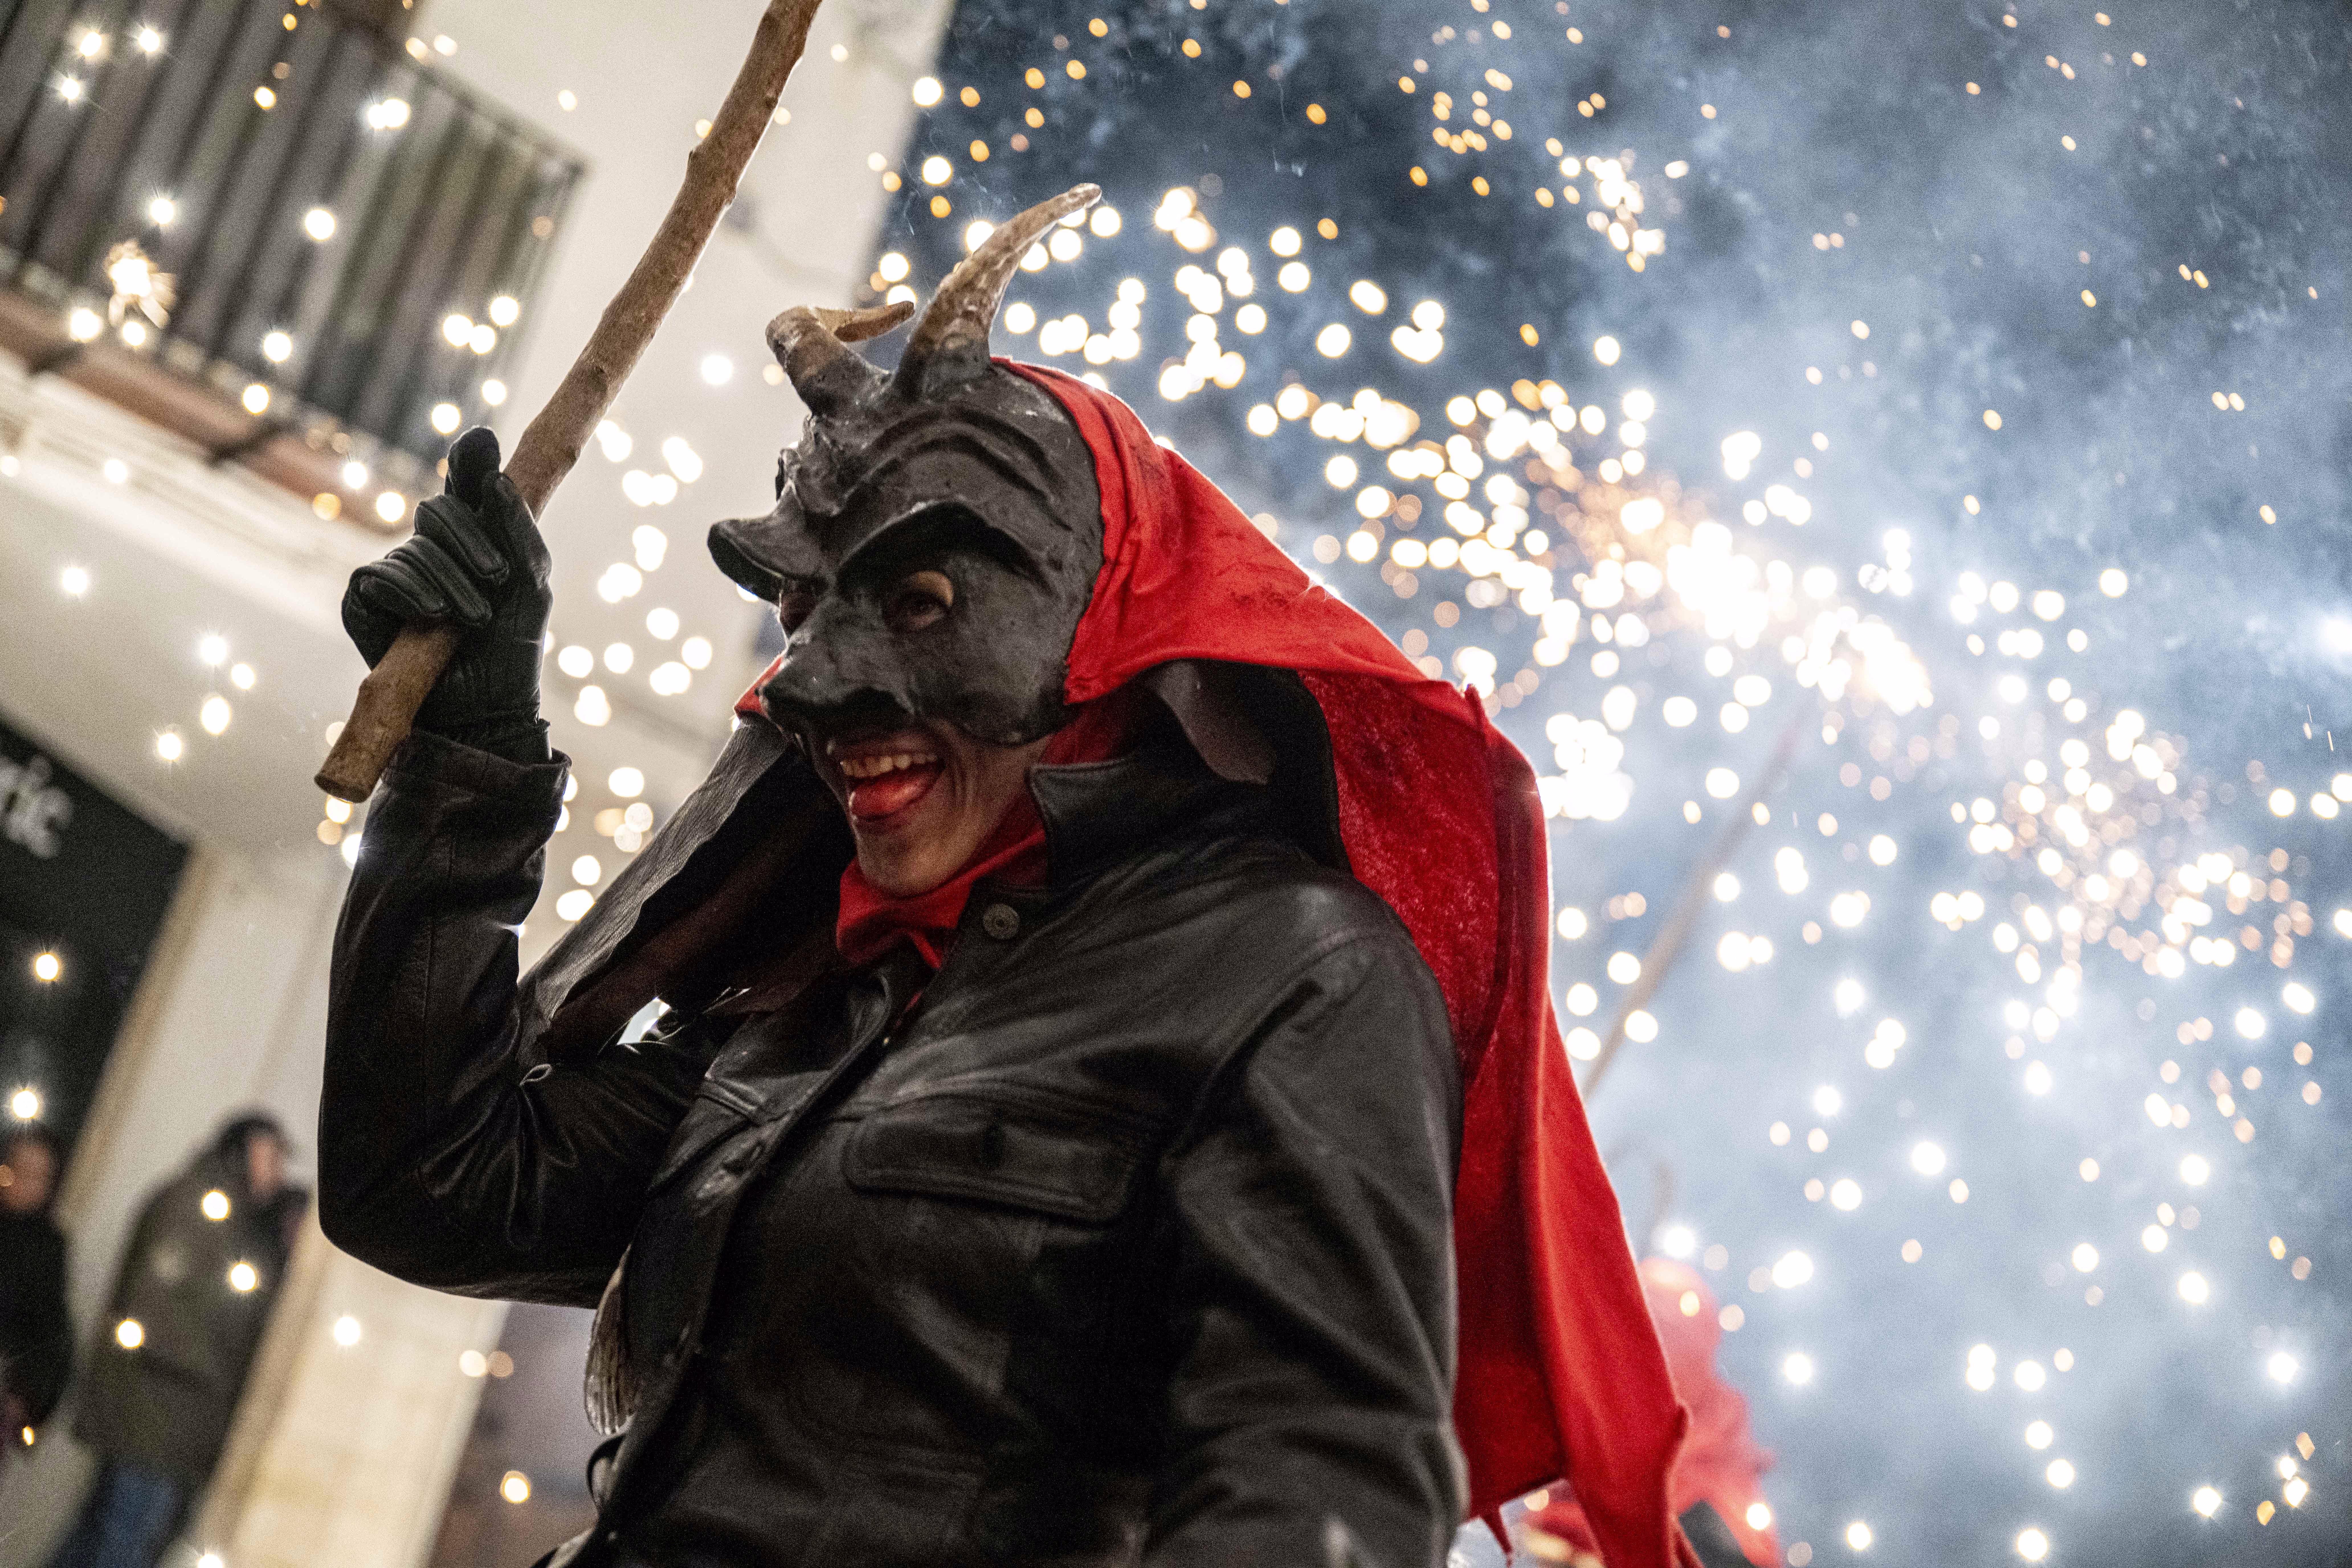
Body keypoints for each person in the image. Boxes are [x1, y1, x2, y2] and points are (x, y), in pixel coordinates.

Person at [321, 185, 1698, 1568]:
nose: (820, 680)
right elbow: (433, 1181)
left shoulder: (1290, 972)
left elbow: (1311, 1495)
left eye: (921, 605)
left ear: (1099, 621)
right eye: (805, 612)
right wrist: (468, 757)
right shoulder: (825, 979)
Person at [46, 1114, 303, 1568]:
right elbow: (166, 1312)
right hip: (159, 1417)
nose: (278, 1172)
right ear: (241, 1150)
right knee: (122, 1544)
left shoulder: (229, 1215)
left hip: (160, 1416)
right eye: (272, 1156)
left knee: (100, 1535)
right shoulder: (201, 1205)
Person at [1, 1124, 73, 1471]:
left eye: (38, 1176)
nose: (24, 1183)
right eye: (19, 1170)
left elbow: (48, 1331)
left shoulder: (46, 1248)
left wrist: (23, 1396)